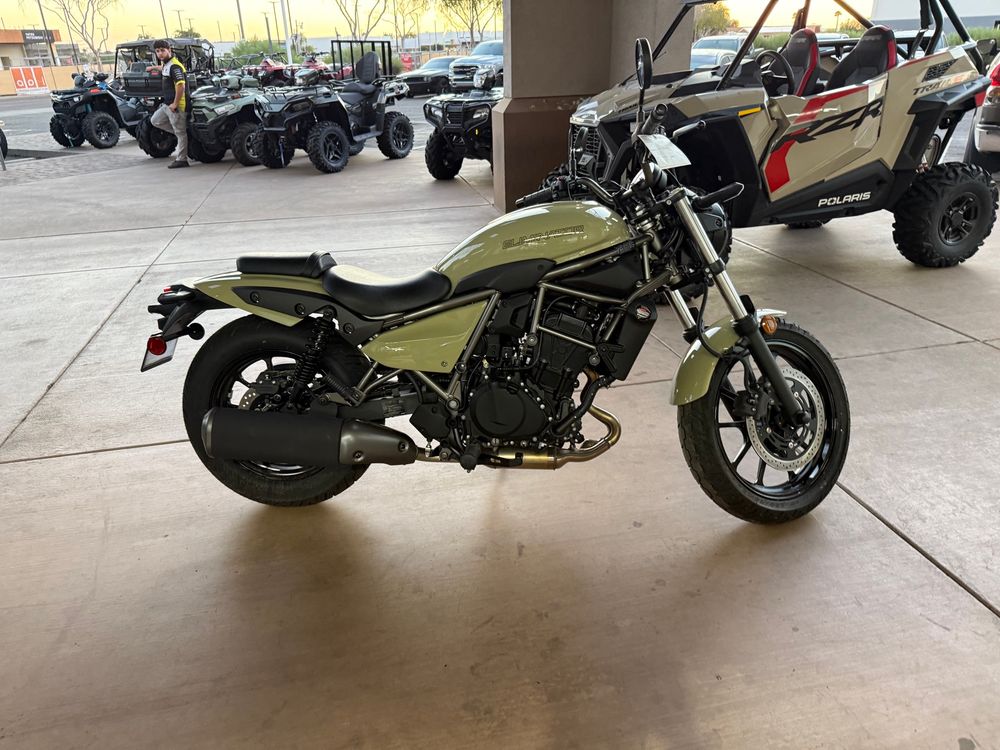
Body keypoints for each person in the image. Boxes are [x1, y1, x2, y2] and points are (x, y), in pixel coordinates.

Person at [147, 40, 189, 169]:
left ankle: (182, 159)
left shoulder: (175, 66)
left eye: (162, 50)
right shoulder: (166, 65)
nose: (160, 53)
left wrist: (175, 103)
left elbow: (181, 85)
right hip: (167, 104)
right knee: (155, 120)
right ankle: (183, 135)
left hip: (177, 105)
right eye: (158, 51)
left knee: (181, 133)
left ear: (169, 50)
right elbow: (163, 68)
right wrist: (153, 67)